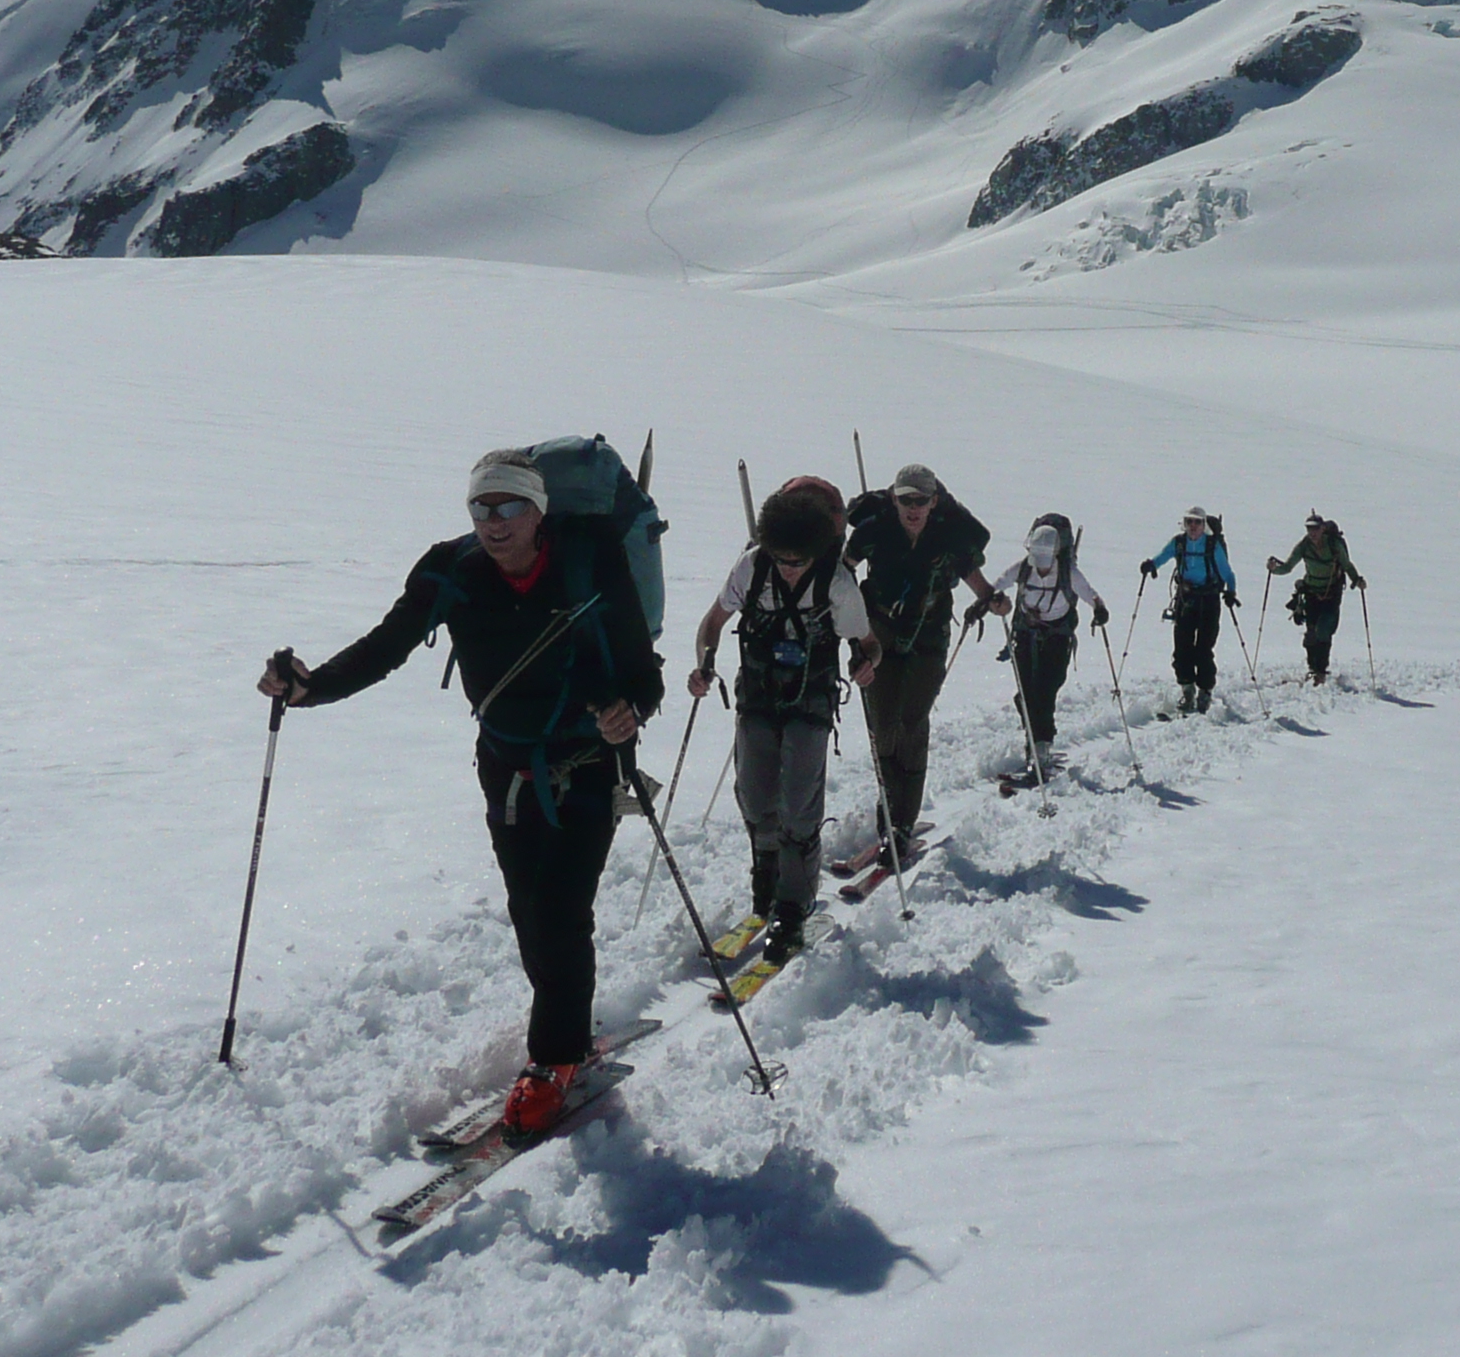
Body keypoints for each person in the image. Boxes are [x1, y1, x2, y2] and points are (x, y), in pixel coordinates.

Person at [257, 448, 663, 1137]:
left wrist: (630, 709)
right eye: (482, 508)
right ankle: (564, 1019)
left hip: (586, 764)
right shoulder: (452, 573)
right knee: (530, 910)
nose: (495, 522)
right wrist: (309, 687)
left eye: (510, 507)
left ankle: (554, 1057)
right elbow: (385, 647)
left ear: (540, 512)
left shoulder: (588, 562)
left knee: (563, 910)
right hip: (504, 767)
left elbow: (642, 672)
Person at [683, 477, 878, 961]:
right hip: (757, 694)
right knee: (753, 794)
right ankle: (764, 884)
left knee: (799, 804)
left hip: (810, 698)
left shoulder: (837, 581)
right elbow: (712, 622)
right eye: (783, 559)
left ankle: (794, 905)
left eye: (799, 561)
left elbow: (866, 641)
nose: (790, 569)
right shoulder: (751, 568)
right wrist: (704, 662)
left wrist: (867, 663)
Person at [843, 462, 994, 866]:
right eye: (905, 499)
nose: (913, 507)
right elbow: (844, 569)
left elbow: (971, 575)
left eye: (921, 500)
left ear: (934, 501)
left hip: (929, 639)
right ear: (893, 499)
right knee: (882, 724)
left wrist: (991, 598)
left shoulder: (947, 537)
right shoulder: (874, 531)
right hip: (879, 635)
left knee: (912, 723)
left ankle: (899, 824)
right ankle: (891, 812)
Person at [970, 514, 1107, 777]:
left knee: (1044, 692)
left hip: (1057, 638)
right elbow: (998, 586)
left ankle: (1041, 746)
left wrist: (1100, 609)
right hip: (1026, 636)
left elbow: (1089, 593)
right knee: (1025, 694)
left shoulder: (1068, 572)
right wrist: (982, 605)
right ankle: (1034, 742)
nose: (1041, 567)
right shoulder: (1023, 568)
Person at [1140, 505, 1235, 714]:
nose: (1193, 526)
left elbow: (1228, 573)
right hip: (1186, 599)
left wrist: (1231, 592)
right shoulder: (1179, 543)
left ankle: (1204, 692)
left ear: (1204, 525)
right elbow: (1162, 557)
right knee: (1182, 648)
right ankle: (1188, 690)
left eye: (1197, 522)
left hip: (1209, 600)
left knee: (1203, 649)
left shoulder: (1212, 545)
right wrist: (1151, 565)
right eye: (1189, 522)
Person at [1265, 512, 1366, 682]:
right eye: (1309, 528)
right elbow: (1289, 566)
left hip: (1331, 593)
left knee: (1324, 630)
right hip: (1311, 592)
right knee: (1311, 632)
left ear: (1323, 528)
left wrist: (1357, 579)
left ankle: (1320, 671)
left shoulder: (1333, 545)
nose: (1312, 532)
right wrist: (1273, 569)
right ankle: (1313, 669)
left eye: (1315, 528)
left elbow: (1347, 564)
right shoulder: (1304, 545)